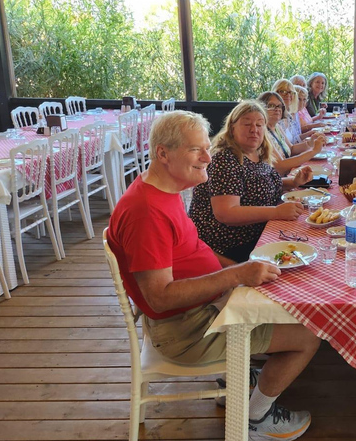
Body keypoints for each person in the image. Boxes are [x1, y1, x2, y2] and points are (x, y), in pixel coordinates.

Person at [107, 111, 320, 441]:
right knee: (310, 332)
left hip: (205, 306)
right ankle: (256, 418)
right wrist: (236, 275)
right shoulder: (146, 212)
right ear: (163, 153)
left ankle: (243, 378)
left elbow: (193, 254)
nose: (208, 157)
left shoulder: (163, 191)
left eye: (207, 147)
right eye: (197, 150)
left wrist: (244, 267)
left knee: (289, 297)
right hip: (186, 330)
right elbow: (160, 296)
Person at [189, 101, 312, 264]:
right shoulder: (225, 159)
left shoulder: (257, 153)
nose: (254, 129)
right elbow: (226, 212)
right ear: (232, 128)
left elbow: (259, 187)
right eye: (247, 124)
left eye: (260, 125)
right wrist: (276, 212)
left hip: (259, 233)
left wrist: (294, 181)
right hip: (229, 245)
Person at [257, 91, 325, 176]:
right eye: (271, 106)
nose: (277, 109)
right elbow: (280, 166)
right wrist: (313, 151)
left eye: (279, 106)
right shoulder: (261, 132)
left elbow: (292, 149)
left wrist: (310, 142)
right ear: (260, 108)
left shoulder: (277, 126)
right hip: (278, 182)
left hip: (289, 175)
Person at [272, 78, 303, 145]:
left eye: (291, 92)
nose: (288, 95)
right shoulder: (273, 118)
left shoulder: (289, 116)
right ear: (275, 93)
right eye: (283, 91)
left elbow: (295, 141)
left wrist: (312, 138)